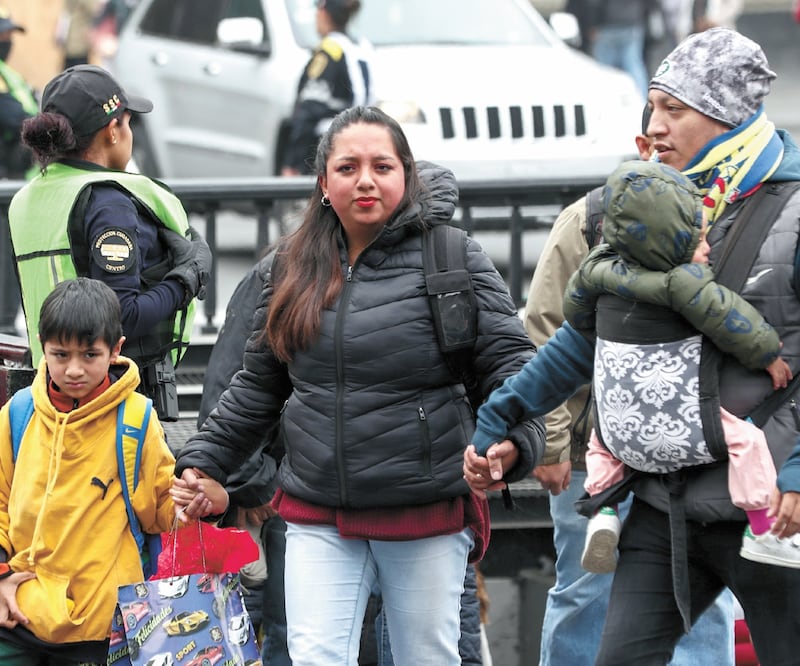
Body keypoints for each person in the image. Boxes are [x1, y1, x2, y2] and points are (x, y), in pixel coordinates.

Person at [466, 27, 800, 664]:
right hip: (657, 500)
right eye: (653, 107)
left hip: (767, 508)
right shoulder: (631, 212)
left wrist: (797, 470)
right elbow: (573, 343)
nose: (657, 125)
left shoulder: (793, 210)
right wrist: (505, 425)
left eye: (675, 109)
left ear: (729, 115)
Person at [175, 105, 544, 665]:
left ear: (407, 175)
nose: (365, 180)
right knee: (315, 656)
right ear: (324, 183)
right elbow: (257, 387)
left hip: (424, 510)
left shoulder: (453, 257)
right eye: (348, 167)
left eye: (382, 165)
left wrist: (512, 445)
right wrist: (203, 462)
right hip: (316, 512)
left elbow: (513, 367)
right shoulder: (291, 266)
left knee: (428, 657)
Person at [508, 158, 794, 573]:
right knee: (589, 592)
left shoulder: (684, 220)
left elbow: (561, 323)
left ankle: (603, 513)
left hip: (616, 425)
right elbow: (732, 320)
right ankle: (760, 524)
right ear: (644, 146)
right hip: (680, 418)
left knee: (668, 578)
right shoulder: (598, 226)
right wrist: (768, 354)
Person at [526, 114, 736, 665]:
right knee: (586, 593)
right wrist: (550, 442)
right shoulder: (590, 219)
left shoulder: (721, 221)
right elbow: (547, 328)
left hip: (696, 448)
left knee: (704, 598)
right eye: (658, 143)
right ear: (641, 146)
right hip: (595, 452)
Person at [0, 277, 218, 663]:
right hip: (17, 613)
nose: (73, 370)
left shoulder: (135, 419)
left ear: (115, 349)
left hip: (104, 627)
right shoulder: (18, 414)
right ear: (42, 347)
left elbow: (160, 510)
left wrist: (189, 504)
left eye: (89, 355)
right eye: (60, 355)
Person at [8, 64, 211, 422]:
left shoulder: (29, 198)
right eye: (128, 122)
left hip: (51, 394)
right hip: (110, 402)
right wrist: (186, 280)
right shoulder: (107, 201)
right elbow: (122, 318)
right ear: (112, 131)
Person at [281, 0, 374, 176]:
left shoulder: (329, 50)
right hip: (362, 141)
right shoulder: (363, 48)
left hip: (327, 148)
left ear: (323, 13)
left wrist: (292, 162)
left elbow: (309, 110)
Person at [0, 6, 36, 336]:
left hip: (16, 179)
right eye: (3, 36)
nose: (8, 42)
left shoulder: (9, 74)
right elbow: (15, 116)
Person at [580, 0, 653, 99]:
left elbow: (595, 3)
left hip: (607, 24)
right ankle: (642, 100)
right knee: (634, 66)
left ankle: (607, 100)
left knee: (605, 70)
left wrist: (592, 23)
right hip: (632, 21)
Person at [56, 0, 102, 70]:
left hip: (72, 41)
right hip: (78, 42)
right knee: (79, 73)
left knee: (69, 74)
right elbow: (97, 11)